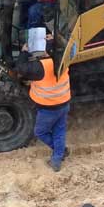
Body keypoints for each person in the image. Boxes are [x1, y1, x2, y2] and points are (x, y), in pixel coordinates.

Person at [16, 36, 71, 172]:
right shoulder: (63, 60)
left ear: (46, 52)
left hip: (48, 109)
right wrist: (55, 38)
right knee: (59, 131)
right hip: (63, 104)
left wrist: (23, 52)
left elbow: (21, 69)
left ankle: (60, 150)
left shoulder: (41, 67)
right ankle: (57, 158)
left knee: (40, 132)